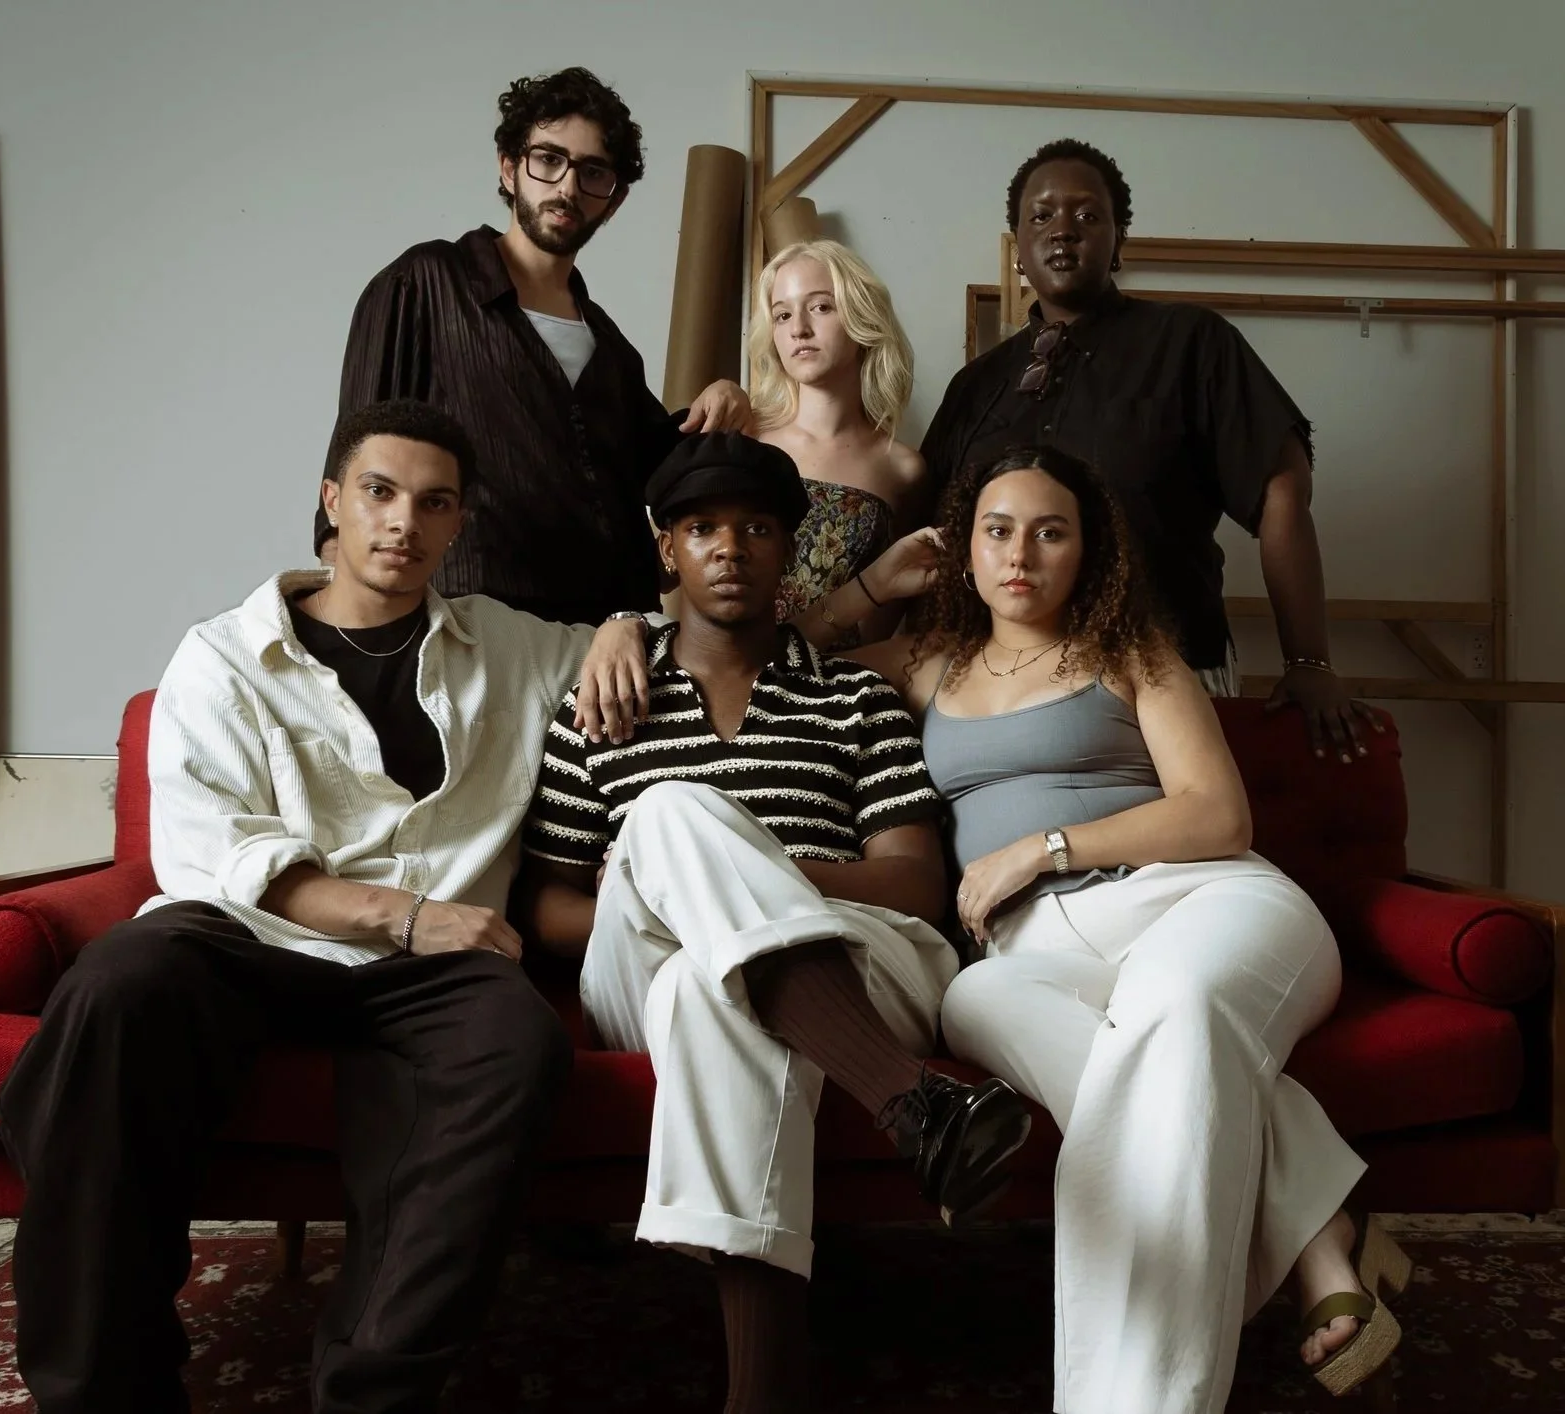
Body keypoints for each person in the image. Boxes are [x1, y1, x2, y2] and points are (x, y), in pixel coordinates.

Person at [0, 400, 653, 1414]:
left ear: (457, 523)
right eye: (380, 494)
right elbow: (205, 846)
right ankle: (101, 1388)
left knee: (516, 1038)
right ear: (331, 502)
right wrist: (399, 915)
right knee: (119, 983)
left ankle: (371, 1393)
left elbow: (662, 636)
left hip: (432, 976)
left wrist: (620, 624)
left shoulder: (506, 648)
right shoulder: (222, 654)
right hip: (252, 939)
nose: (402, 524)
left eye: (433, 504)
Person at [847, 446, 1406, 1413]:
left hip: (1200, 903)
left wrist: (1044, 847)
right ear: (964, 551)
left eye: (1050, 531)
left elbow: (1217, 815)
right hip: (1023, 956)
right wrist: (869, 582)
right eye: (997, 529)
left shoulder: (1132, 651)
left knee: (1178, 1010)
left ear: (1087, 550)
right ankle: (1324, 1222)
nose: (1021, 552)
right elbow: (772, 656)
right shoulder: (923, 664)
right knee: (974, 998)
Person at [519, 432, 1035, 1414]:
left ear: (789, 551)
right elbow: (545, 901)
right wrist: (684, 893)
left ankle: (763, 1390)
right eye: (701, 527)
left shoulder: (854, 696)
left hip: (861, 958)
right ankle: (911, 1103)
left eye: (757, 528)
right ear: (664, 547)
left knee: (706, 987)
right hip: (638, 958)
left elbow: (916, 885)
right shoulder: (600, 700)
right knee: (669, 819)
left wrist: (745, 895)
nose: (729, 548)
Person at [920, 138, 1382, 763]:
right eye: (1041, 216)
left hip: (1169, 671)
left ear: (1120, 238)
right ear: (1017, 247)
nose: (1062, 231)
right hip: (1003, 692)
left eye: (1086, 216)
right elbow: (936, 533)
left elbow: (1282, 488)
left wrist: (1307, 658)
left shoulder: (1190, 343)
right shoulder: (978, 385)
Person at [321, 66, 753, 626]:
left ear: (613, 200)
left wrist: (721, 400)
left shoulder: (611, 348)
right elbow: (358, 448)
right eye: (549, 160)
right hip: (469, 621)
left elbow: (655, 463)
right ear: (510, 167)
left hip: (602, 638)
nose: (568, 187)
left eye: (593, 172)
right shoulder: (426, 283)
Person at [742, 238, 929, 648]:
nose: (799, 329)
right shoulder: (744, 440)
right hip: (729, 675)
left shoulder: (902, 468)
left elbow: (881, 623)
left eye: (821, 306)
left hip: (835, 692)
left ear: (862, 316)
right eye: (782, 315)